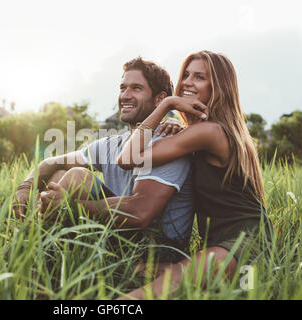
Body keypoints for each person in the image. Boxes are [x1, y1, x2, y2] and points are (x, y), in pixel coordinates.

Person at [116, 50, 271, 299]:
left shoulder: (210, 132)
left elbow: (128, 158)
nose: (187, 82)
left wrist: (167, 104)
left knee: (143, 296)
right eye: (186, 74)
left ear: (218, 86)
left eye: (199, 77)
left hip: (245, 247)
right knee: (138, 271)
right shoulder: (203, 132)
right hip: (220, 246)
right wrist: (178, 124)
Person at [13, 57, 195, 263]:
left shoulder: (168, 142)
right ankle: (39, 249)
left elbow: (140, 212)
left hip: (157, 250)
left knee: (75, 178)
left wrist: (69, 206)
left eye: (136, 88)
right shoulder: (112, 143)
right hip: (121, 239)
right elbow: (51, 162)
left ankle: (33, 255)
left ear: (160, 99)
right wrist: (25, 187)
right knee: (58, 174)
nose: (125, 95)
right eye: (122, 88)